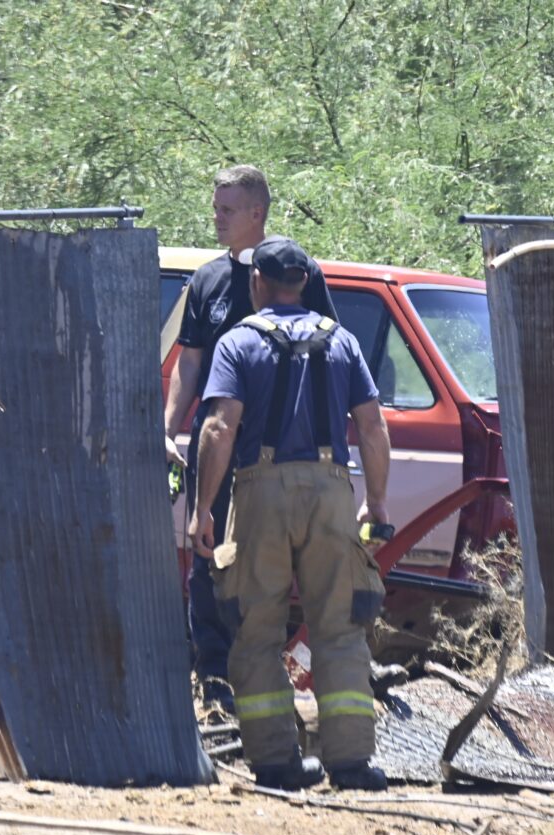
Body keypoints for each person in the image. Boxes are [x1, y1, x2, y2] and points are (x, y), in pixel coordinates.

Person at [189, 236, 391, 792]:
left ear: (257, 281)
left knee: (256, 631)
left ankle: (277, 762)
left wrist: (203, 508)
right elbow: (372, 427)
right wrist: (377, 502)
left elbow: (219, 427)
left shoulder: (237, 342)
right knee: (340, 628)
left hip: (261, 492)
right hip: (332, 491)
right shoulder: (343, 341)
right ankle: (351, 762)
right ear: (304, 283)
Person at [163, 165, 335, 712]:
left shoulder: (297, 271)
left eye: (228, 209)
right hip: (216, 441)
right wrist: (169, 427)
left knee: (268, 563)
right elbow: (190, 362)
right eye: (216, 207)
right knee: (207, 555)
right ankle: (213, 678)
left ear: (257, 213)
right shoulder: (208, 280)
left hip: (275, 449)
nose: (217, 217)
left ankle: (263, 677)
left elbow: (325, 350)